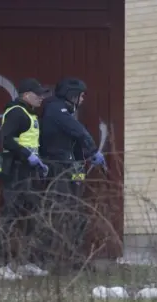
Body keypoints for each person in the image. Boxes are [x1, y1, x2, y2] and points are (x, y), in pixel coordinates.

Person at [39, 77, 106, 271]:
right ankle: (56, 261)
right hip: (58, 167)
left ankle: (76, 259)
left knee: (75, 213)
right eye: (81, 95)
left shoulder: (64, 111)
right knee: (63, 212)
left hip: (68, 166)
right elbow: (78, 131)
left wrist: (86, 156)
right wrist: (93, 150)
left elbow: (70, 142)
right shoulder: (56, 110)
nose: (83, 98)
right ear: (71, 94)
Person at [0, 78, 50, 280]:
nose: (41, 97)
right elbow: (6, 139)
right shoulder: (17, 113)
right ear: (26, 95)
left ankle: (27, 262)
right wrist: (28, 156)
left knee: (31, 218)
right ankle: (0, 267)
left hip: (29, 172)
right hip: (17, 172)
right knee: (9, 217)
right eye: (38, 94)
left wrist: (37, 161)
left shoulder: (29, 113)